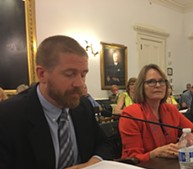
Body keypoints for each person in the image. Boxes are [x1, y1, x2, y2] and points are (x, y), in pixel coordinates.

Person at [0, 35, 110, 169]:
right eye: (70, 74)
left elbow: (104, 144)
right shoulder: (8, 117)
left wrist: (91, 164)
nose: (80, 83)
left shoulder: (83, 106)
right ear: (42, 74)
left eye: (83, 74)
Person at [119, 64, 193, 162]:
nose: (158, 85)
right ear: (141, 86)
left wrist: (180, 145)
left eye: (161, 81)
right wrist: (154, 154)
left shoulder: (170, 110)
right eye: (151, 82)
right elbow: (132, 158)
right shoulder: (131, 114)